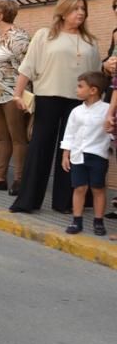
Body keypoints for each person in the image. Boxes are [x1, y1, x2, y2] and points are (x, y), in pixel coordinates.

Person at [10, 0, 101, 214]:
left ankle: (64, 202)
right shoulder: (45, 35)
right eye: (75, 8)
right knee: (40, 147)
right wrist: (17, 94)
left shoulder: (91, 41)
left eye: (83, 9)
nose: (80, 13)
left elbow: (96, 75)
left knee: (71, 150)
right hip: (48, 96)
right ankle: (28, 201)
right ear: (63, 11)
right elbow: (27, 67)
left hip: (78, 103)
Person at [0, 0, 30, 195]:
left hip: (12, 94)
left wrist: (20, 94)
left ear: (0, 15)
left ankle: (20, 179)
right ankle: (0, 178)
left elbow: (27, 67)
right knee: (2, 137)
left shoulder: (18, 37)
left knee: (18, 137)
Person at [61, 72, 110, 236]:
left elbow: (110, 132)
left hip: (97, 156)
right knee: (79, 188)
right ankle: (77, 220)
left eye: (80, 86)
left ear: (93, 90)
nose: (77, 90)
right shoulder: (76, 111)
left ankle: (98, 222)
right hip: (78, 155)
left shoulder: (107, 110)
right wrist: (65, 154)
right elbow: (69, 134)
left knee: (98, 188)